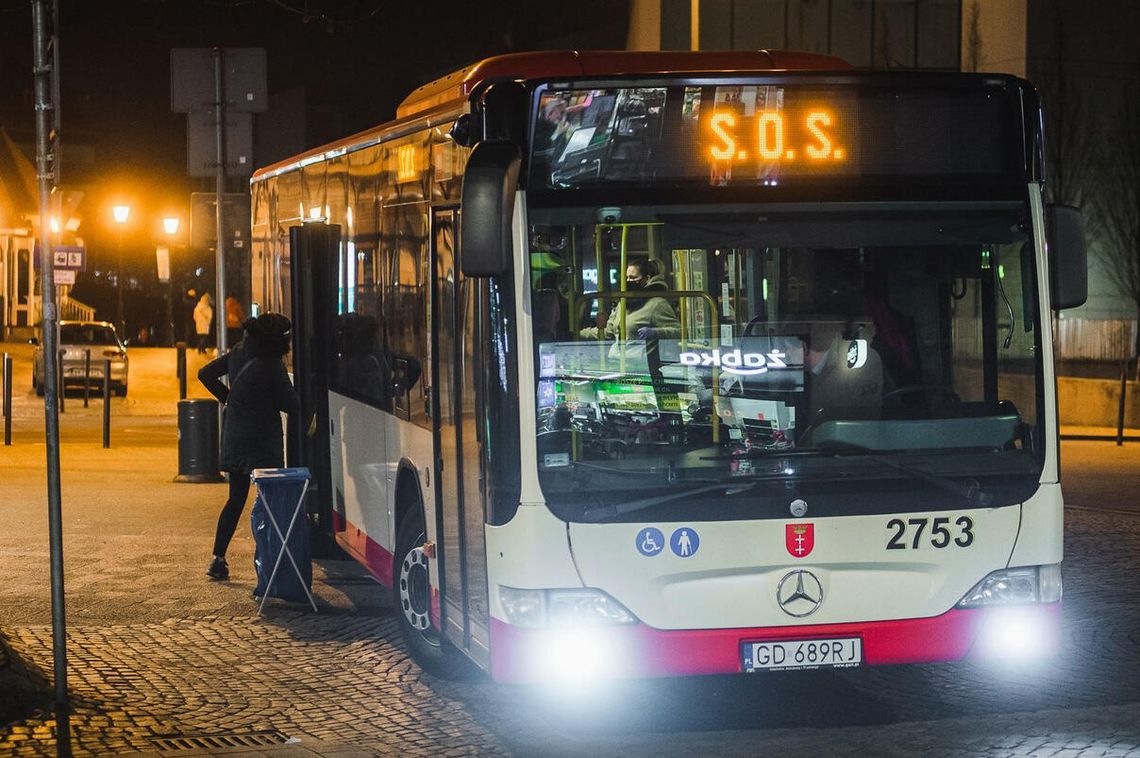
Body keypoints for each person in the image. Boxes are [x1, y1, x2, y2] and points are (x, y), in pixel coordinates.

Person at [198, 313, 299, 580]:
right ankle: (268, 561)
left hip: (236, 437)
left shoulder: (238, 353)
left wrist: (228, 398)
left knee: (236, 498)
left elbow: (205, 373)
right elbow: (291, 404)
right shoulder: (272, 365)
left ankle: (218, 558)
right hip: (263, 441)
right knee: (269, 502)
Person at [579, 258, 679, 342]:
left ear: (647, 279)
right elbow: (609, 331)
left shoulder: (657, 304)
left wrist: (656, 333)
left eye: (633, 277)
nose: (628, 281)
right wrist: (579, 333)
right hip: (618, 359)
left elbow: (678, 332)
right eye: (627, 278)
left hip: (640, 362)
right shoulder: (623, 303)